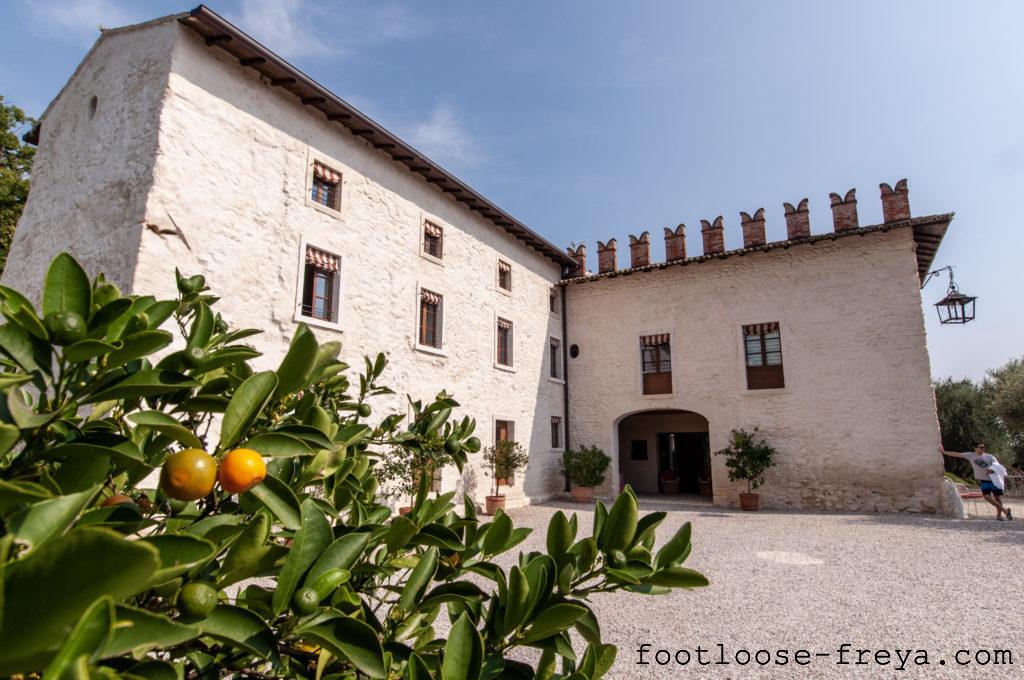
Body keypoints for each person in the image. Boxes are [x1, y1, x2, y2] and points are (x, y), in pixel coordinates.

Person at [940, 443, 1013, 520]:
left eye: (983, 447)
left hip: (994, 480)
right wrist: (944, 452)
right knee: (987, 497)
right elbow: (957, 454)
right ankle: (1005, 510)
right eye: (981, 447)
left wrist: (991, 470)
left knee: (997, 498)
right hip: (984, 481)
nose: (983, 448)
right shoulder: (970, 455)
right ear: (975, 448)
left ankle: (999, 515)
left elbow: (997, 466)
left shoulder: (990, 456)